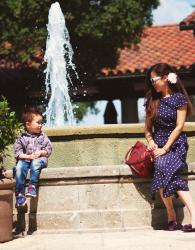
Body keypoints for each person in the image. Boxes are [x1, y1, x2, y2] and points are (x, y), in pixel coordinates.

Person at [144, 63, 195, 232]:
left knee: (163, 166)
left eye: (155, 79)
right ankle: (173, 214)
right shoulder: (151, 100)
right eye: (150, 80)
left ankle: (175, 216)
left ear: (165, 78)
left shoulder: (179, 99)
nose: (152, 83)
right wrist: (151, 141)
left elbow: (179, 126)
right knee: (161, 166)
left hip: (176, 144)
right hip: (158, 144)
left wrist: (165, 148)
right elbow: (147, 129)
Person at [14, 107, 52, 207]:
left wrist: (40, 152)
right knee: (18, 168)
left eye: (41, 122)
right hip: (26, 159)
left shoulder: (43, 136)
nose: (41, 125)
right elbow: (18, 153)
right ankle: (20, 194)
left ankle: (32, 187)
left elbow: (48, 150)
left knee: (35, 163)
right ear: (28, 124)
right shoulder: (21, 137)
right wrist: (28, 156)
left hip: (40, 160)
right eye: (38, 122)